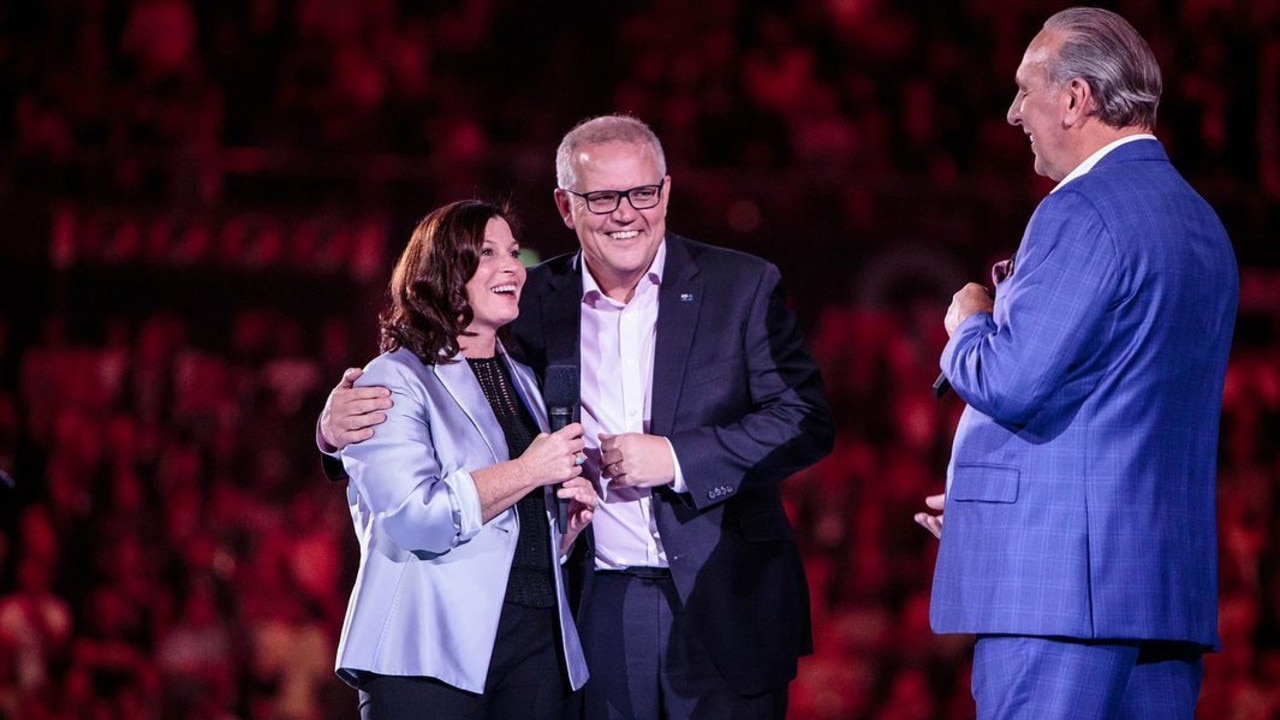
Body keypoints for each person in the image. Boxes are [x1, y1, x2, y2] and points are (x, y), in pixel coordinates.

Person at [321, 115, 834, 719]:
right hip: (593, 610)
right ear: (566, 206)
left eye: (642, 193)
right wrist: (332, 432)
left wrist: (676, 458)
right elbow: (436, 385)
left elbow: (805, 418)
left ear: (665, 192)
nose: (626, 213)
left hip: (724, 599)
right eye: (602, 197)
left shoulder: (741, 286)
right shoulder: (526, 302)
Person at [915, 8, 1238, 719]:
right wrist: (993, 508)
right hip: (1160, 595)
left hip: (1060, 599)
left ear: (1074, 98)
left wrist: (968, 321)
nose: (1011, 114)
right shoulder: (1203, 225)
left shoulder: (1082, 209)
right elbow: (1118, 409)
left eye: (1024, 91)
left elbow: (1008, 379)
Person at [329, 199, 599, 720]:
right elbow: (416, 516)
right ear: (441, 272)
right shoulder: (393, 379)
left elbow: (511, 521)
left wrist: (560, 533)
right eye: (486, 254)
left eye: (513, 253)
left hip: (538, 643)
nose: (511, 268)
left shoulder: (523, 378)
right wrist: (529, 470)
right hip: (429, 652)